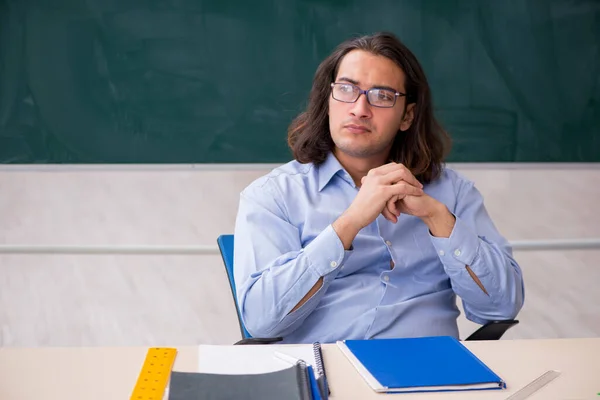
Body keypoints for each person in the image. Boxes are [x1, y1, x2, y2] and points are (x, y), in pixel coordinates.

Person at [233, 32, 524, 344]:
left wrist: (440, 220)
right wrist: (350, 222)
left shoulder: (453, 192)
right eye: (346, 89)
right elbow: (262, 322)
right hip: (329, 373)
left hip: (430, 374)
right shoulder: (273, 196)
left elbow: (501, 308)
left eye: (382, 96)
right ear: (328, 101)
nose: (359, 109)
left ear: (407, 116)